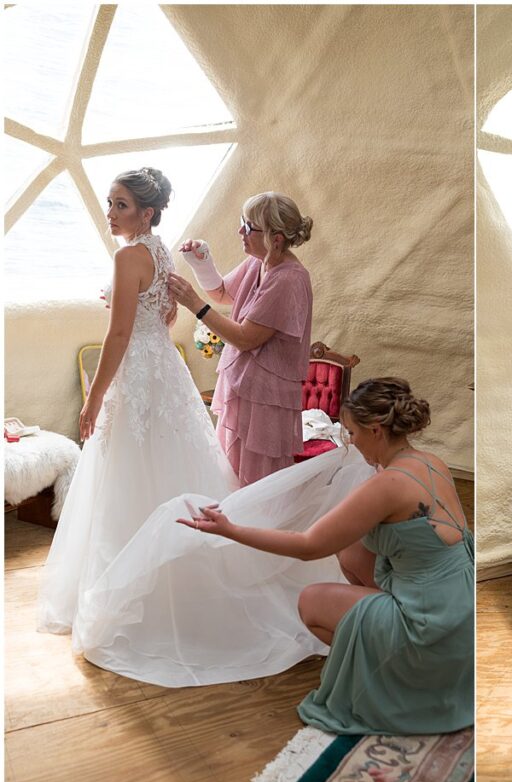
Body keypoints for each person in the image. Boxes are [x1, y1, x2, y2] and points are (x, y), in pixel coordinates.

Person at [180, 378, 474, 733]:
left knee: (310, 601)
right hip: (461, 611)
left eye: (352, 432)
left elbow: (308, 546)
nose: (350, 441)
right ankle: (397, 651)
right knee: (352, 547)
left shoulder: (388, 484)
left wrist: (231, 530)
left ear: (376, 430)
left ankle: (398, 675)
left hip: (430, 625)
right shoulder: (433, 462)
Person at [37, 168, 238, 635]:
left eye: (120, 205)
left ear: (146, 212)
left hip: (137, 373)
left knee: (125, 468)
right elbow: (162, 315)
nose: (110, 213)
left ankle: (127, 590)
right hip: (163, 368)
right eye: (109, 202)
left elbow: (120, 333)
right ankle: (176, 581)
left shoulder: (130, 255)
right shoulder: (158, 249)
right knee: (168, 461)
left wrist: (95, 397)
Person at [170, 192, 314, 485]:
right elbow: (223, 293)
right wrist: (201, 262)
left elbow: (247, 338)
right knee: (231, 468)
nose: (240, 232)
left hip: (266, 397)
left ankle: (254, 528)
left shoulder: (288, 279)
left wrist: (193, 303)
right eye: (242, 222)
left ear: (275, 238)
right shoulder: (258, 262)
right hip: (243, 387)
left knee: (258, 476)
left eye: (249, 227)